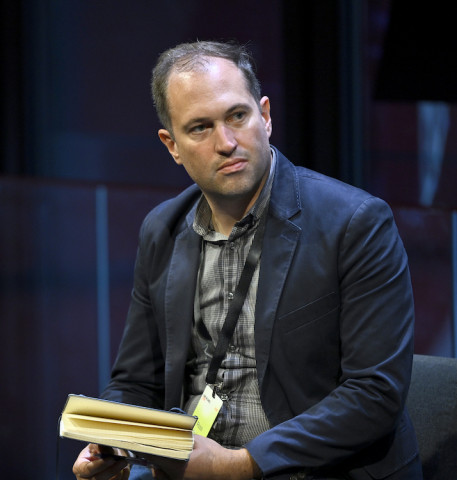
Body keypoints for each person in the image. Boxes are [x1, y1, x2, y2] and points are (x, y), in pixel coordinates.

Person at [73, 40, 422, 480]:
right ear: (172, 145)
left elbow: (375, 394)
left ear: (266, 115)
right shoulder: (162, 228)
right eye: (200, 128)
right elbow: (135, 381)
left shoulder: (356, 222)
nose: (227, 142)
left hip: (310, 469)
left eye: (237, 116)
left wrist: (238, 465)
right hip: (188, 466)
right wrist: (114, 443)